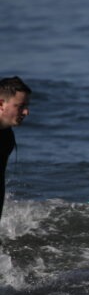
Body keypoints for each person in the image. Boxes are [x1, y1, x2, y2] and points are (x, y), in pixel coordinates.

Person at [0, 76, 31, 226]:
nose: (26, 112)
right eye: (20, 106)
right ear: (1, 104)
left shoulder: (6, 137)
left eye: (27, 106)